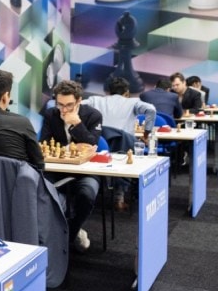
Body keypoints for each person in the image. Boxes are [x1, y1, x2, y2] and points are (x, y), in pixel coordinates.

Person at [40, 80, 102, 253]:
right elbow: (44, 144)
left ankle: (70, 232)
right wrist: (71, 148)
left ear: (79, 101)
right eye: (60, 104)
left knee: (87, 194)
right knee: (40, 188)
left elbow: (92, 145)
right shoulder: (51, 114)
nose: (64, 110)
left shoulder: (93, 115)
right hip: (57, 170)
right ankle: (61, 231)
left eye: (69, 105)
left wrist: (77, 124)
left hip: (86, 171)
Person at [83, 77, 156, 211]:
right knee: (133, 150)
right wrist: (146, 134)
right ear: (127, 92)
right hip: (124, 147)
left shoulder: (95, 100)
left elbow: (77, 105)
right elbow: (151, 110)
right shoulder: (133, 102)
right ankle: (120, 198)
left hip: (99, 146)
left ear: (107, 91)